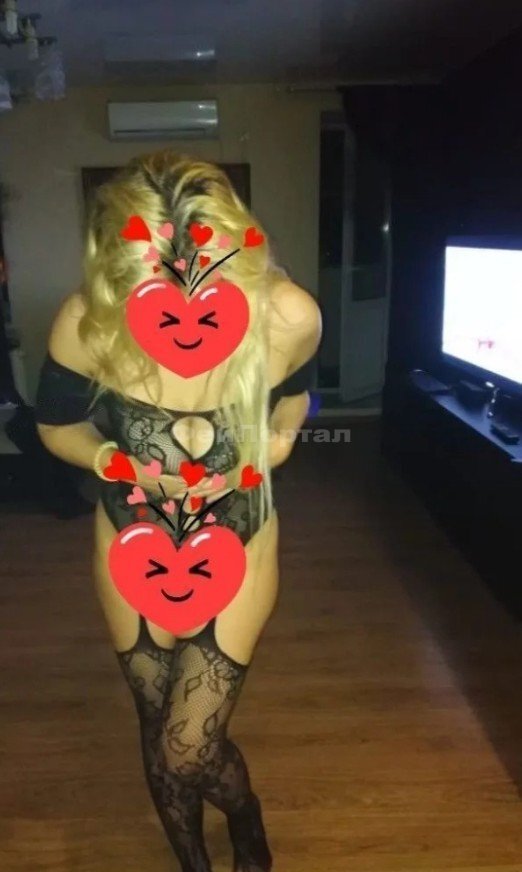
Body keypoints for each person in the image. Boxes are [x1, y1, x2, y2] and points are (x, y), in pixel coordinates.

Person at [34, 149, 321, 872]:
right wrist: (114, 461)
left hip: (239, 537)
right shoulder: (88, 322)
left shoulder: (286, 316)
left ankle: (245, 815)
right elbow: (55, 427)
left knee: (188, 746)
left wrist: (280, 442)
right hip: (129, 540)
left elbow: (296, 398)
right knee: (157, 721)